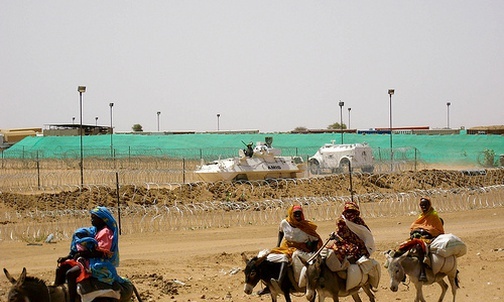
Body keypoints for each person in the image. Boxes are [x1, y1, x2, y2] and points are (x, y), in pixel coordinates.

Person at [55, 206, 120, 302]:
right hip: (87, 259)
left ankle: (71, 300)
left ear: (102, 220)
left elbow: (100, 253)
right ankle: (55, 293)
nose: (92, 220)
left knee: (70, 274)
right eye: (91, 217)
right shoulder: (94, 231)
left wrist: (83, 254)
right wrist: (68, 257)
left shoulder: (106, 233)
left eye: (94, 218)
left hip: (98, 262)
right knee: (61, 268)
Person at [267, 205, 323, 292]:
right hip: (286, 247)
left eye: (299, 213)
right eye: (295, 213)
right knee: (270, 256)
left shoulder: (306, 226)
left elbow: (315, 239)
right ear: (291, 214)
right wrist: (278, 245)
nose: (297, 215)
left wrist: (312, 250)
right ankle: (272, 284)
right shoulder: (284, 223)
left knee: (294, 257)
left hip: (301, 249)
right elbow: (281, 232)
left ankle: (297, 283)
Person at [398, 196, 444, 282]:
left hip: (430, 239)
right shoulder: (421, 216)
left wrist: (425, 232)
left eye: (425, 205)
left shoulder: (433, 216)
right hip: (418, 238)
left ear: (429, 205)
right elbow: (415, 226)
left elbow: (436, 230)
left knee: (419, 247)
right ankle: (402, 273)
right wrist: (416, 232)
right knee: (403, 247)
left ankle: (422, 272)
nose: (423, 207)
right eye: (421, 205)